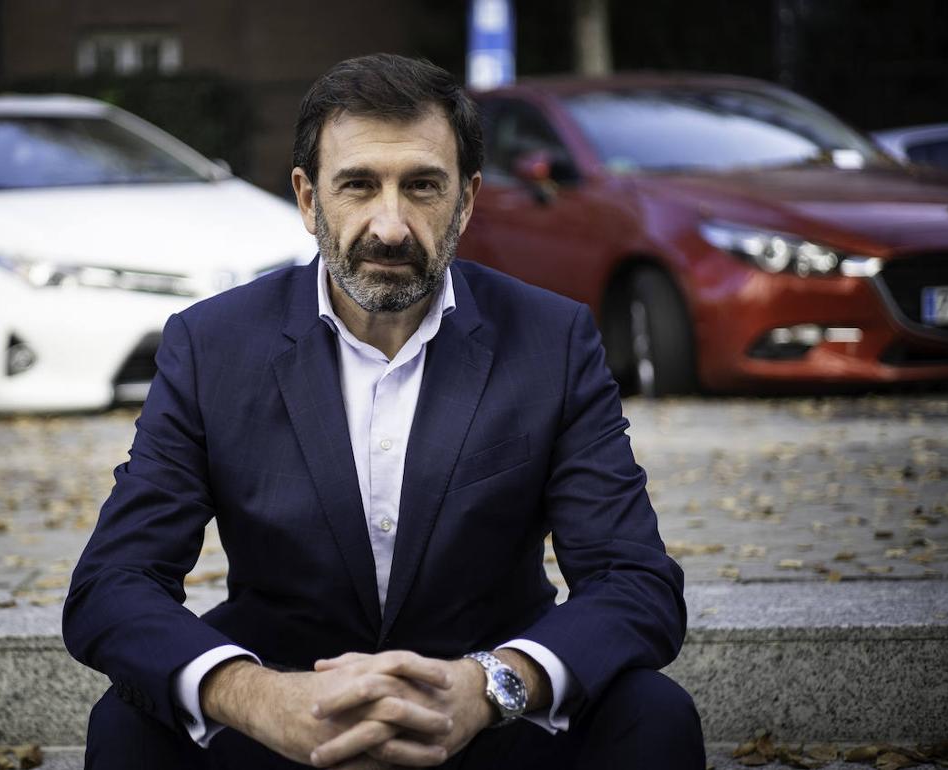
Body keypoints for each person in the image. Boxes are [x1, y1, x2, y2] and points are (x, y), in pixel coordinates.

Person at [64, 53, 703, 769]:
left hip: (489, 723)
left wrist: (491, 685)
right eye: (359, 185)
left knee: (653, 714)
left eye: (423, 186)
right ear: (309, 199)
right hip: (281, 722)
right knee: (127, 723)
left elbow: (634, 581)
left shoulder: (552, 340)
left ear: (466, 200)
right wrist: (256, 696)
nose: (391, 226)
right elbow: (113, 584)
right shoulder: (212, 345)